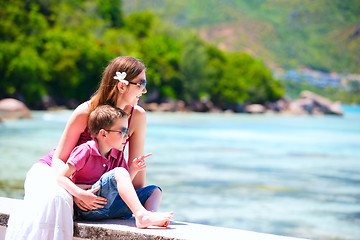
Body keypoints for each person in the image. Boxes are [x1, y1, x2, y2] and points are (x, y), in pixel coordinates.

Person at [5, 56, 171, 240]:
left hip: (92, 181)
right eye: (140, 84)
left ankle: (146, 217)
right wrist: (77, 192)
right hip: (55, 172)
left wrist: (128, 197)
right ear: (122, 86)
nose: (145, 90)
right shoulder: (85, 111)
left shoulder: (137, 116)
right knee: (58, 199)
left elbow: (136, 177)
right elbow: (59, 161)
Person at [57, 104, 172, 228]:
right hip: (89, 207)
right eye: (122, 131)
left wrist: (133, 170)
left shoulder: (117, 154)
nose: (126, 136)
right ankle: (142, 216)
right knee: (120, 172)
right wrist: (80, 194)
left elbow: (121, 187)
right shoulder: (86, 150)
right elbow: (60, 177)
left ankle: (149, 216)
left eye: (127, 131)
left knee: (154, 191)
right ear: (103, 134)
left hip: (111, 208)